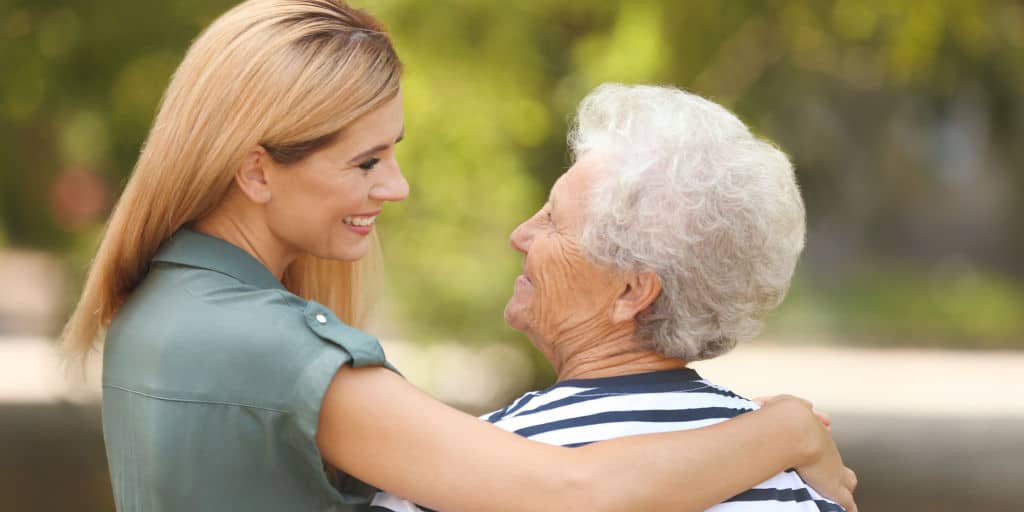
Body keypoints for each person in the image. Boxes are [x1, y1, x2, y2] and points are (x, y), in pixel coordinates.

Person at [60, 1, 857, 511]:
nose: (396, 188)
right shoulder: (272, 349)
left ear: (632, 292)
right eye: (365, 162)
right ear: (257, 168)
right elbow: (573, 491)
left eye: (390, 153)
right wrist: (783, 430)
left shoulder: (162, 307)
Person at [371, 84, 849, 512]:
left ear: (630, 292)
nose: (520, 235)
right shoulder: (801, 480)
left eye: (553, 221)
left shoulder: (460, 477)